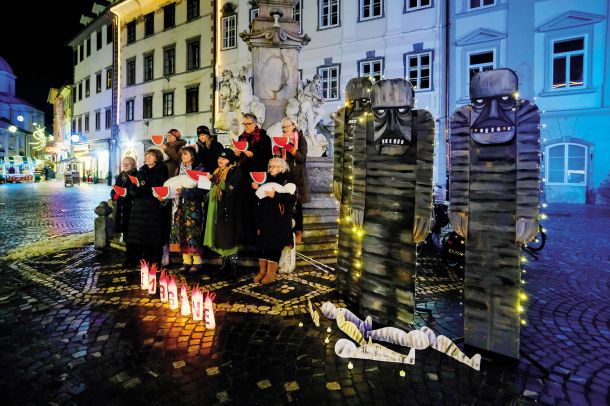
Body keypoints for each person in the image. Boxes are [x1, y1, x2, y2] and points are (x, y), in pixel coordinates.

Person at [252, 158, 297, 284]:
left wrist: (275, 196)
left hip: (279, 221)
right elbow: (259, 197)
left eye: (274, 166)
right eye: (270, 166)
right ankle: (262, 271)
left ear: (281, 168)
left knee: (273, 247)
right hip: (265, 218)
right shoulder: (267, 180)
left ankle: (271, 273)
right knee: (262, 245)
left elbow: (291, 200)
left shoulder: (288, 181)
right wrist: (255, 188)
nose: (270, 168)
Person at [125, 148, 169, 266]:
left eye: (151, 155)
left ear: (157, 158)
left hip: (153, 207)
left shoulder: (161, 169)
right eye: (146, 155)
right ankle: (139, 259)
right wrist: (138, 190)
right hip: (138, 208)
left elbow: (157, 187)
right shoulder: (142, 170)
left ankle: (154, 261)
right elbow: (134, 188)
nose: (147, 158)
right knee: (138, 235)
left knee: (153, 235)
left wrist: (143, 188)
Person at [235, 113, 272, 246]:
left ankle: (258, 238)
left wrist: (252, 154)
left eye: (248, 124)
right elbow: (239, 160)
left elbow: (268, 157)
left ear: (255, 124)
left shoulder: (264, 138)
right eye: (244, 124)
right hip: (244, 176)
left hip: (258, 175)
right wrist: (237, 154)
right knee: (244, 207)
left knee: (257, 207)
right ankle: (245, 237)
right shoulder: (241, 138)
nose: (246, 127)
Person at [203, 148, 242, 276]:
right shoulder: (217, 171)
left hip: (228, 209)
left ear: (230, 160)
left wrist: (216, 180)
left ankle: (233, 265)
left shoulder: (235, 171)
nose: (220, 160)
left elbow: (231, 189)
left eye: (224, 158)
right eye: (219, 158)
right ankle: (225, 263)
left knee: (228, 235)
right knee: (219, 234)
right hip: (215, 207)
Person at [169, 146, 207, 273]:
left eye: (185, 154)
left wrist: (185, 191)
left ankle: (197, 261)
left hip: (194, 206)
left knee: (193, 233)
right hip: (179, 205)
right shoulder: (178, 170)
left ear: (192, 155)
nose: (183, 157)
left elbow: (203, 189)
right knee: (182, 232)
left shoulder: (200, 168)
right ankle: (186, 261)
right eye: (182, 155)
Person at [277, 118, 311, 243]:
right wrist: (278, 153)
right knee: (286, 204)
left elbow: (302, 158)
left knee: (297, 205)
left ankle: (298, 232)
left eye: (287, 126)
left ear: (294, 126)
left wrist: (292, 150)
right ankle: (287, 230)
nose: (285, 129)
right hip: (285, 175)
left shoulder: (300, 138)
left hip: (297, 176)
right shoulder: (282, 139)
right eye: (284, 127)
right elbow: (280, 159)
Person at [111, 156, 138, 267]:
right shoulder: (120, 176)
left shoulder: (136, 175)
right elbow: (114, 190)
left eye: (129, 164)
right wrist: (116, 195)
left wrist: (126, 192)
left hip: (131, 208)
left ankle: (134, 258)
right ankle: (128, 258)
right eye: (124, 163)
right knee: (126, 234)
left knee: (132, 234)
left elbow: (136, 191)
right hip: (121, 208)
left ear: (134, 165)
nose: (126, 166)